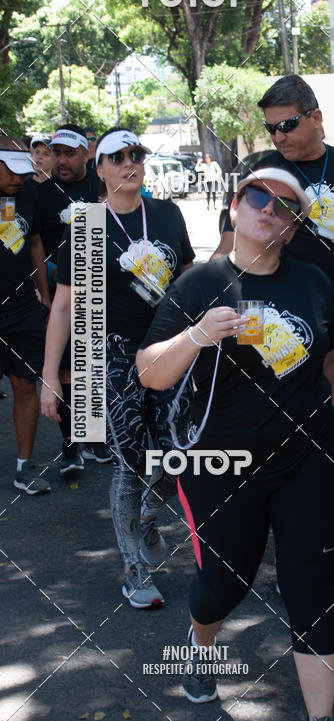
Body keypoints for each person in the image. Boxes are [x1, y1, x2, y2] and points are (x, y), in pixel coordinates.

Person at [137, 167, 334, 721]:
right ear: (236, 206)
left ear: (293, 227)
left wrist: (328, 417)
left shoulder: (315, 281)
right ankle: (200, 645)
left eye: (287, 207)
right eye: (258, 197)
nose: (270, 210)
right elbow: (151, 371)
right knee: (225, 585)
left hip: (309, 460)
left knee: (310, 587)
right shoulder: (200, 282)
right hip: (221, 465)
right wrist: (197, 336)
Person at [41, 127, 195, 608]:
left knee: (180, 456)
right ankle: (134, 568)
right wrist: (51, 376)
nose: (130, 163)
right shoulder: (87, 224)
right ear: (100, 167)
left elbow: (188, 272)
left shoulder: (167, 215)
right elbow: (65, 308)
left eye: (136, 155)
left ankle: (148, 514)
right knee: (130, 463)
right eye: (118, 157)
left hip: (171, 348)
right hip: (114, 353)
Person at [213, 75, 334, 427]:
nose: (278, 136)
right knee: (265, 416)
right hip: (262, 311)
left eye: (288, 125)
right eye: (271, 128)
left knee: (331, 418)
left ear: (317, 117)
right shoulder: (261, 171)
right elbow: (227, 246)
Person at [37, 124, 107, 473]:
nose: (61, 161)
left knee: (92, 365)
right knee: (65, 368)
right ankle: (70, 445)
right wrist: (44, 291)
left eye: (69, 153)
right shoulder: (44, 193)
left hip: (101, 292)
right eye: (56, 153)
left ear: (86, 154)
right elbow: (34, 242)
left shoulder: (101, 187)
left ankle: (93, 435)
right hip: (61, 291)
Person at [0, 137, 51, 493]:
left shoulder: (30, 192)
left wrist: (45, 299)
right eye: (10, 173)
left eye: (23, 173)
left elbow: (34, 243)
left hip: (21, 307)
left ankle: (25, 466)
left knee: (24, 383)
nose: (18, 180)